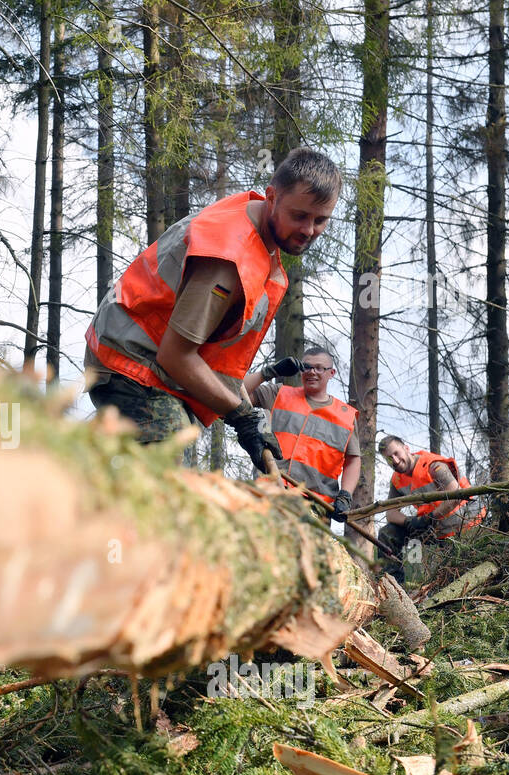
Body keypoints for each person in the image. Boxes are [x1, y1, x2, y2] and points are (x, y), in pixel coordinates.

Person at [84, 147, 342, 470]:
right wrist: (240, 415)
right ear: (272, 197)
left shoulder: (261, 237)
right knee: (172, 469)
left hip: (156, 366)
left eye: (321, 220)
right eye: (300, 216)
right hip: (128, 364)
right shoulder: (228, 259)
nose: (309, 230)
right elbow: (175, 356)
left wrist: (252, 423)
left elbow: (219, 362)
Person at [243, 346, 360, 522]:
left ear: (332, 373)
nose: (311, 372)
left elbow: (353, 459)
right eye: (306, 367)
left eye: (319, 368)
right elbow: (235, 389)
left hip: (315, 507)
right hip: (270, 493)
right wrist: (269, 372)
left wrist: (345, 495)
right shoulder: (278, 393)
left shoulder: (346, 416)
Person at [376, 435, 487, 581]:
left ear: (406, 448)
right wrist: (410, 521)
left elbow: (456, 495)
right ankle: (393, 586)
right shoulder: (397, 480)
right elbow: (390, 513)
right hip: (434, 526)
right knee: (388, 533)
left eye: (396, 453)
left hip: (465, 521)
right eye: (389, 458)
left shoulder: (433, 465)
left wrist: (430, 517)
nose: (395, 461)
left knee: (458, 574)